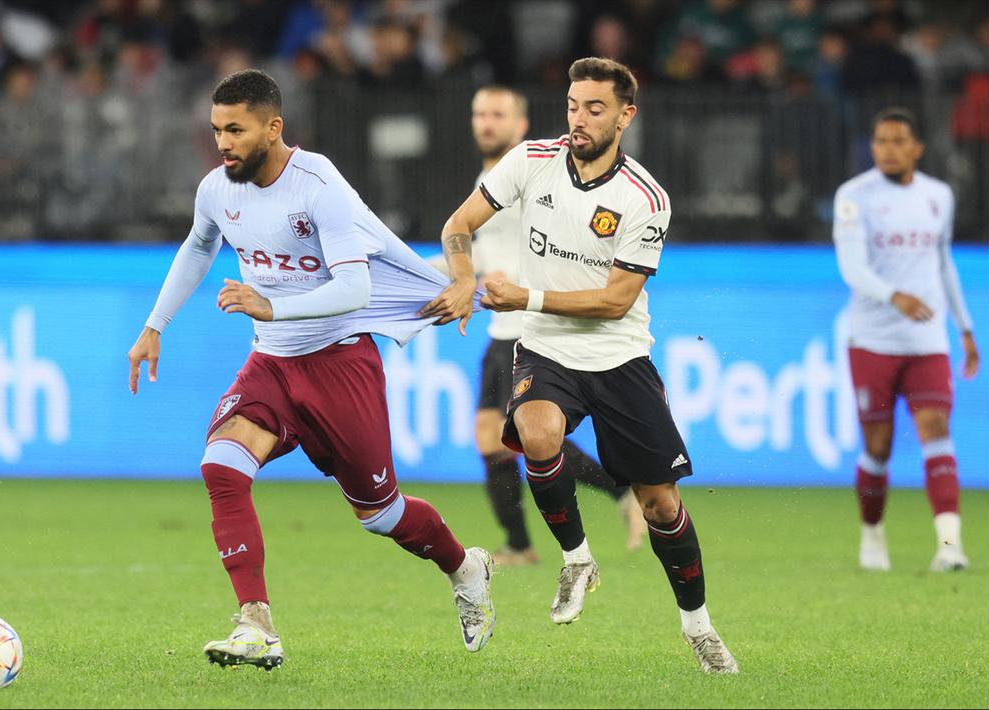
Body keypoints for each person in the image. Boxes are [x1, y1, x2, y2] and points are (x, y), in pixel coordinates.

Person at [127, 69, 495, 671]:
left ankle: (466, 567)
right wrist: (154, 325)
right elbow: (199, 246)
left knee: (382, 515)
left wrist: (272, 303)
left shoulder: (320, 186)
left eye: (236, 130)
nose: (223, 143)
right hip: (270, 363)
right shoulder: (217, 189)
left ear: (274, 127)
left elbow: (356, 286)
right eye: (217, 129)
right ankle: (255, 623)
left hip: (339, 365)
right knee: (221, 464)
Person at [422, 57, 739, 674]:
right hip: (544, 347)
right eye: (572, 105)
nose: (579, 119)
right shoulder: (530, 160)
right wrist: (463, 280)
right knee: (535, 435)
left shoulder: (646, 198)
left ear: (626, 116)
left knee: (661, 507)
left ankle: (698, 627)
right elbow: (458, 225)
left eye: (595, 109)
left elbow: (616, 301)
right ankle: (576, 559)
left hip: (619, 357)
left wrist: (526, 296)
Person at [439, 84, 648, 566]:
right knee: (496, 438)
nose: (487, 123)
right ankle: (525, 541)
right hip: (499, 329)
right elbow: (478, 251)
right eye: (480, 113)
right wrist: (444, 275)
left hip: (529, 328)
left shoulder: (534, 175)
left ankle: (610, 497)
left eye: (498, 114)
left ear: (521, 126)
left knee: (523, 436)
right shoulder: (488, 179)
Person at [832, 107, 979, 573]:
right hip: (872, 338)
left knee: (936, 429)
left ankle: (950, 545)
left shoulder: (939, 195)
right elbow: (852, 267)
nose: (887, 150)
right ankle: (873, 536)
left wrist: (966, 327)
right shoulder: (854, 196)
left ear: (917, 147)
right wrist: (894, 296)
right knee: (878, 446)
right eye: (880, 141)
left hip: (927, 338)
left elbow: (944, 263)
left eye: (898, 141)